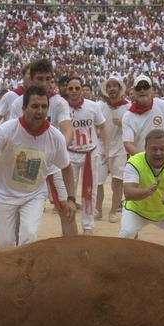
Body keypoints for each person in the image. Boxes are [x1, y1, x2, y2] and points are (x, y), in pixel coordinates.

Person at [0, 85, 69, 249]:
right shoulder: (8, 129)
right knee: (5, 244)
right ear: (24, 108)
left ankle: (24, 274)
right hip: (3, 193)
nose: (40, 111)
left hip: (34, 194)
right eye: (35, 106)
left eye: (44, 107)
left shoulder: (55, 136)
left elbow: (66, 167)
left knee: (29, 236)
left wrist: (71, 198)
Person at [119, 129, 164, 258]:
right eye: (154, 149)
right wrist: (147, 191)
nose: (158, 153)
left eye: (162, 149)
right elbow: (128, 193)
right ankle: (120, 270)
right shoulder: (134, 162)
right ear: (145, 148)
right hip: (137, 211)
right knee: (126, 234)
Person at [62, 75, 108, 235]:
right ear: (66, 90)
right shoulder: (61, 107)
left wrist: (106, 149)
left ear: (82, 90)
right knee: (69, 192)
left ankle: (88, 226)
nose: (74, 91)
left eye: (77, 88)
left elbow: (103, 127)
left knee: (90, 190)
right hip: (69, 154)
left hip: (90, 153)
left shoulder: (93, 106)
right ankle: (69, 224)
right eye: (71, 88)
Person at [101, 76, 130, 224]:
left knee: (118, 181)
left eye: (114, 86)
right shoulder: (100, 106)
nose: (111, 88)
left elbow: (134, 128)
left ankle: (113, 211)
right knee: (98, 182)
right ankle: (98, 209)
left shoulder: (129, 107)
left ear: (119, 88)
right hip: (102, 148)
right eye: (109, 86)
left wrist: (124, 124)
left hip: (120, 149)